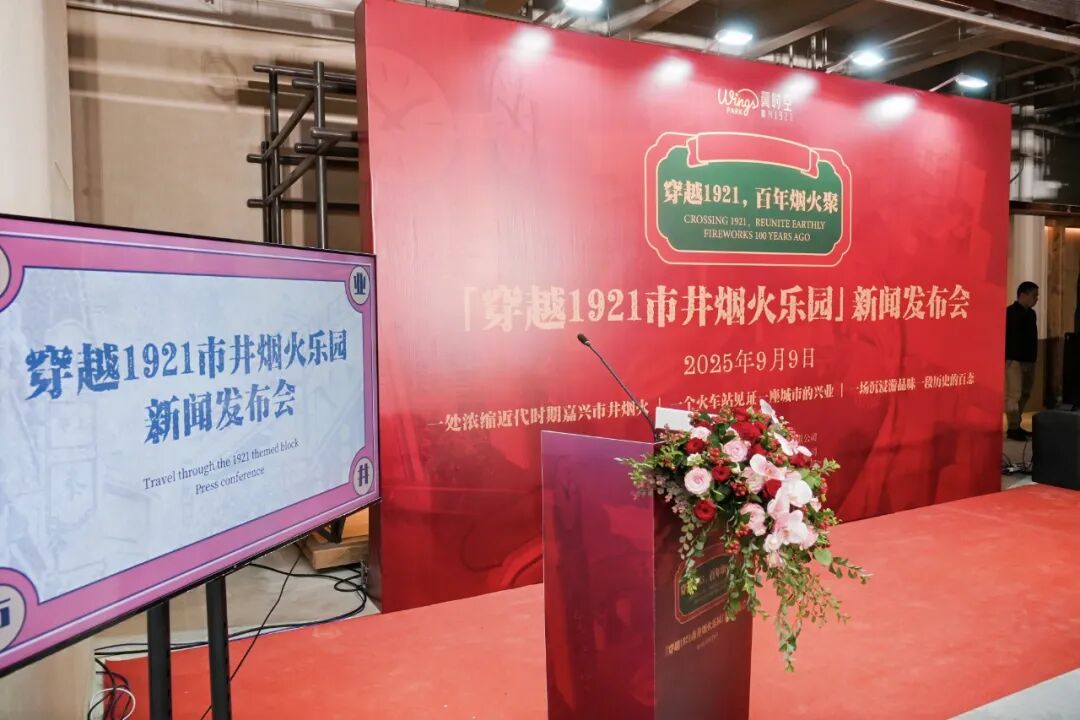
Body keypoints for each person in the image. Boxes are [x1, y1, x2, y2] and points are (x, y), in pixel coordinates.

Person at [1005, 281, 1039, 441]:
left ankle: (1017, 424)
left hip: (1029, 360)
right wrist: (1009, 357)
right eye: (1034, 296)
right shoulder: (1009, 313)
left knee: (1025, 393)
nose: (1036, 299)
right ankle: (1012, 427)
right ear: (1023, 295)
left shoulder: (1032, 314)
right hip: (1014, 360)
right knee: (1014, 395)